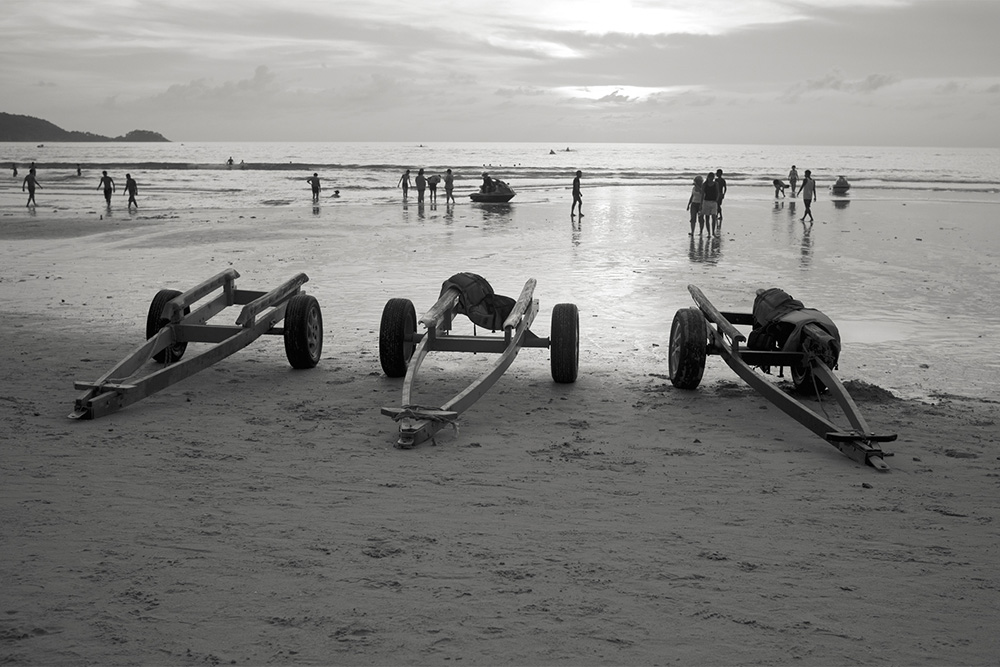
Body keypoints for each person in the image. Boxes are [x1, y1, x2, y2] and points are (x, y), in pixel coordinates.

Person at [701, 172, 720, 236]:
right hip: (706, 201)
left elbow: (718, 192)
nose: (711, 179)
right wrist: (701, 204)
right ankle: (709, 233)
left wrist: (717, 199)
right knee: (707, 217)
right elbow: (702, 194)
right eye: (710, 177)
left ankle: (713, 232)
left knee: (714, 217)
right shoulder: (704, 184)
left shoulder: (716, 184)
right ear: (708, 177)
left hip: (713, 202)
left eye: (712, 177)